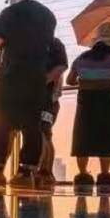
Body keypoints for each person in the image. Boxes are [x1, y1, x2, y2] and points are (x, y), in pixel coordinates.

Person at [0, 0, 56, 188]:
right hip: (37, 77)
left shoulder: (9, 13)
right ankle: (26, 173)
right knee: (32, 126)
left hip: (11, 75)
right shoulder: (48, 16)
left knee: (0, 122)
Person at [67, 23, 110, 188]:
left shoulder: (82, 58)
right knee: (107, 136)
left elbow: (70, 80)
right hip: (108, 100)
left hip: (86, 101)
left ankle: (82, 174)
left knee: (83, 136)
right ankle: (104, 174)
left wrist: (87, 79)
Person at [37, 36, 69, 188]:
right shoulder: (53, 44)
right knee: (46, 133)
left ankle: (43, 170)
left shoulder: (53, 44)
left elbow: (61, 68)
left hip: (48, 99)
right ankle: (46, 172)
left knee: (42, 132)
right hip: (50, 100)